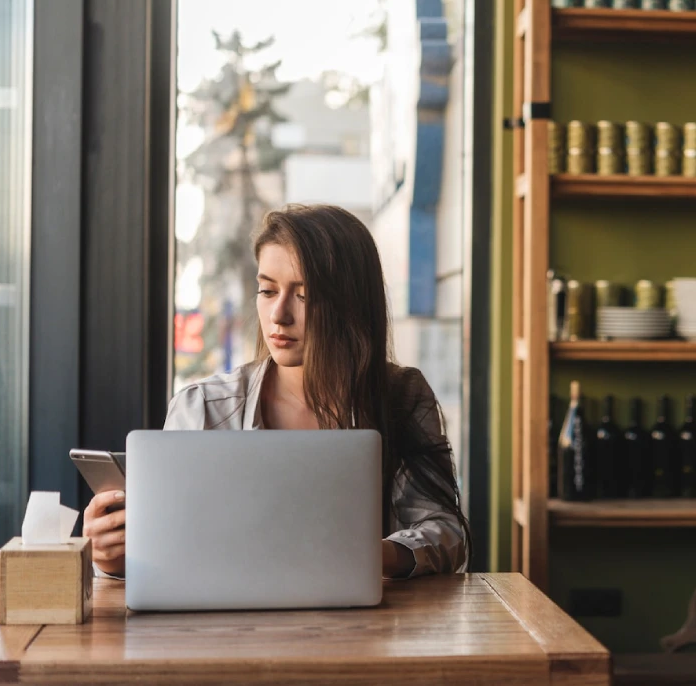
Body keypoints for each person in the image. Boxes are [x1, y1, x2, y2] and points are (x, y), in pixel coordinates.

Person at [83, 204, 471, 579]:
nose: (279, 315)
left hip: (360, 632)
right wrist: (115, 559)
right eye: (268, 291)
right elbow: (160, 549)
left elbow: (446, 531)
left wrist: (373, 555)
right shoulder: (202, 408)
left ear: (350, 305)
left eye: (304, 295)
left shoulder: (400, 397)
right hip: (225, 632)